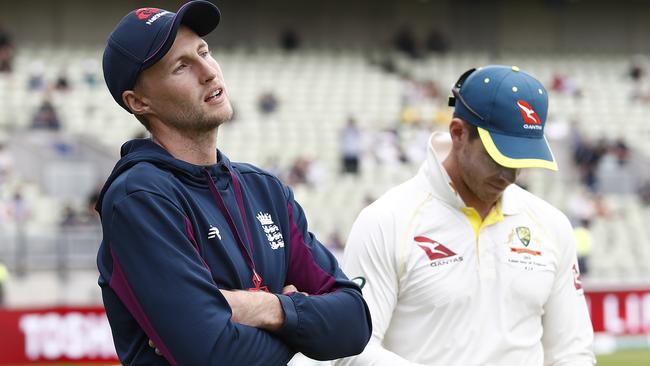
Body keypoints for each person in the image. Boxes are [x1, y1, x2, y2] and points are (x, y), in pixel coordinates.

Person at [96, 2, 371, 365]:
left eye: (205, 52)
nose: (209, 72)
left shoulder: (265, 189)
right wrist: (306, 336)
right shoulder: (139, 197)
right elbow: (214, 354)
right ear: (139, 101)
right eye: (182, 66)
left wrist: (268, 308)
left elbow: (354, 322)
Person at [335, 66, 595, 365]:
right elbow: (351, 350)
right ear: (458, 132)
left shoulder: (551, 224)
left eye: (520, 159)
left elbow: (571, 352)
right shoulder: (386, 221)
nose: (510, 175)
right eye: (499, 156)